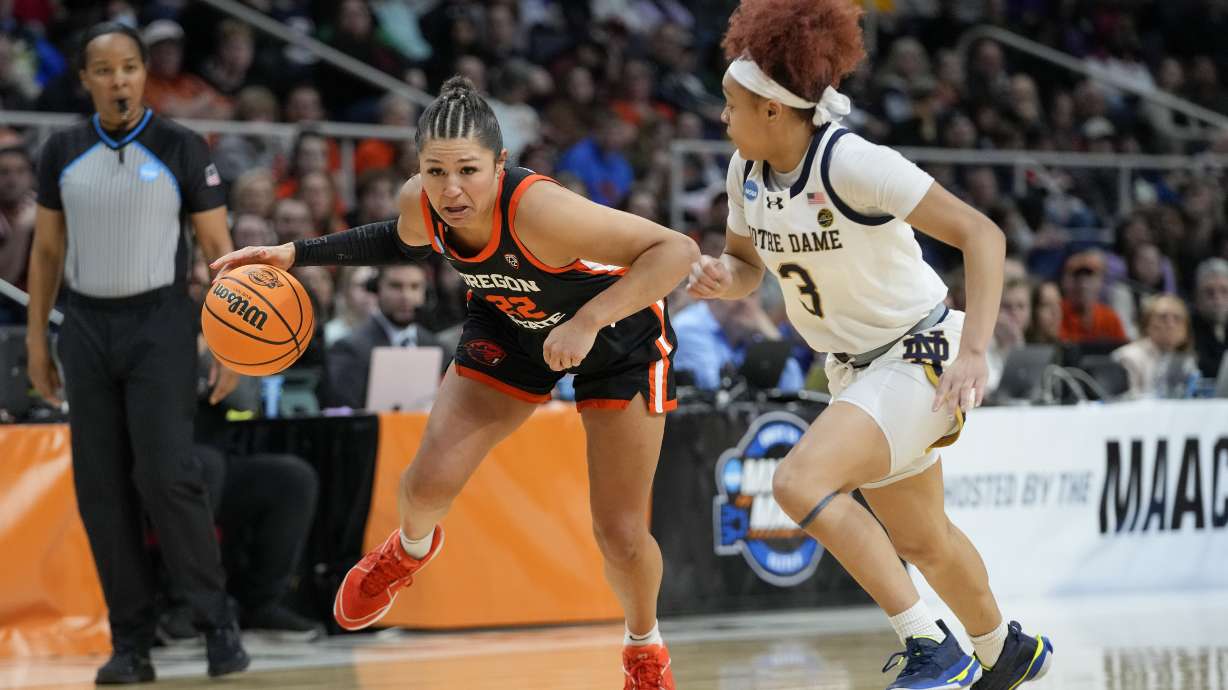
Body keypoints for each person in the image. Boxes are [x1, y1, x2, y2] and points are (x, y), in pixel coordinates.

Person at [212, 76, 699, 688]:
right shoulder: (425, 201)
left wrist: (589, 320)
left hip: (618, 335)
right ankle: (408, 552)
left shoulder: (542, 211)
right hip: (510, 322)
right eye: (435, 172)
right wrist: (294, 253)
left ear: (499, 165)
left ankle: (643, 649)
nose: (451, 189)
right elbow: (399, 239)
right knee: (422, 485)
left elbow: (674, 250)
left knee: (619, 533)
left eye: (467, 170)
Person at [686, 2, 1052, 688]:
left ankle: (930, 647)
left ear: (773, 109)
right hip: (853, 370)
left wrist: (975, 351)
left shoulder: (853, 163)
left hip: (920, 354)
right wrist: (720, 278)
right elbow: (746, 268)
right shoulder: (747, 174)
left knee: (797, 482)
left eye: (732, 103)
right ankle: (1006, 652)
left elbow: (983, 235)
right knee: (922, 540)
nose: (723, 116)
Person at [23, 22, 249, 684]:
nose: (118, 80)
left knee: (166, 474)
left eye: (129, 67)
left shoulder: (181, 146)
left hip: (160, 324)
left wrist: (229, 339)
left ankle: (216, 622)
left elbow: (219, 252)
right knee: (100, 488)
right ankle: (131, 642)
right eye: (104, 70)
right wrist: (39, 341)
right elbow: (44, 254)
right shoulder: (60, 148)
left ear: (144, 73)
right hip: (86, 327)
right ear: (86, 79)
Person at [326, 264, 442, 409]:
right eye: (395, 286)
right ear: (376, 288)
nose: (406, 296)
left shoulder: (437, 347)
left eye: (415, 287)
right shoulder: (349, 349)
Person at [1111, 294, 1198, 398]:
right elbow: (1126, 403)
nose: (1171, 324)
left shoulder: (1187, 360)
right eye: (1163, 317)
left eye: (1177, 318)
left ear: (1186, 330)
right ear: (1146, 325)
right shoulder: (1129, 357)